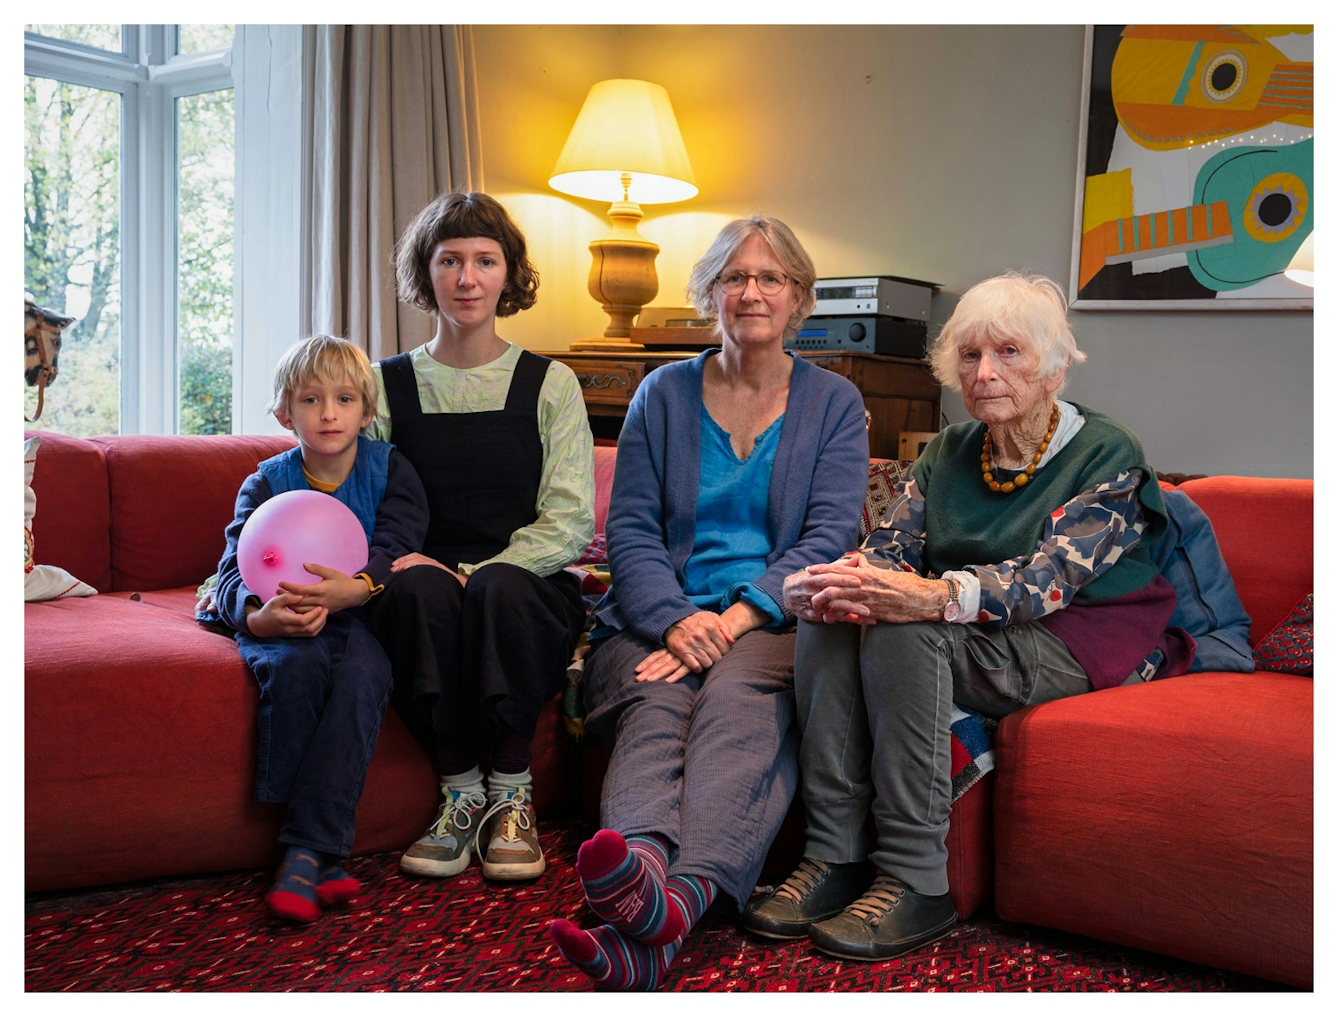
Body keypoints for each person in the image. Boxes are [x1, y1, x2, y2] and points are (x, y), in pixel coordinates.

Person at [745, 272, 1189, 961]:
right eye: (970, 356)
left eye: (1008, 353)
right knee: (838, 610)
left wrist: (931, 596)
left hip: (1073, 637)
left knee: (907, 622)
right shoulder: (950, 450)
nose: (984, 373)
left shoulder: (1107, 451)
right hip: (978, 629)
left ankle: (917, 878)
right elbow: (888, 548)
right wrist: (835, 581)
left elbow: (1047, 583)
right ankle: (834, 855)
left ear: (1054, 366)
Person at [547, 216, 871, 990]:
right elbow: (627, 528)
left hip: (776, 618)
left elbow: (827, 536)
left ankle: (675, 904)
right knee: (654, 698)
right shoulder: (663, 393)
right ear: (710, 293)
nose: (752, 292)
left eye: (770, 278)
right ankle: (644, 879)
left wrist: (733, 616)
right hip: (655, 617)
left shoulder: (834, 403)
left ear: (798, 297)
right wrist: (674, 616)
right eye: (734, 277)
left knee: (736, 704)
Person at [365, 191, 594, 883]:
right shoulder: (381, 385)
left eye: (485, 261)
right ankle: (461, 793)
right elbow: (365, 503)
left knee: (497, 586)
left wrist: (482, 569)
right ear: (425, 273)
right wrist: (423, 569)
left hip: (524, 587)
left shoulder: (552, 383)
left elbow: (571, 516)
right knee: (417, 588)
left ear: (508, 274)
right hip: (419, 580)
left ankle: (512, 794)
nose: (467, 278)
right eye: (450, 261)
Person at [212, 335, 429, 923]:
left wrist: (354, 589)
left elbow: (397, 547)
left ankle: (305, 851)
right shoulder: (264, 483)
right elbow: (231, 574)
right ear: (286, 412)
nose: (328, 413)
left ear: (368, 409)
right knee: (296, 666)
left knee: (364, 674)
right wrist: (258, 616)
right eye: (311, 400)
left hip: (360, 619)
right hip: (285, 622)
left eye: (344, 398)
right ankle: (323, 857)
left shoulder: (391, 471)